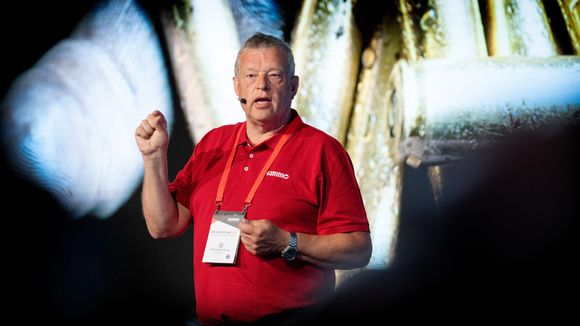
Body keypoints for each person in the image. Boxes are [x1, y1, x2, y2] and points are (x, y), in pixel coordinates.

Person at [134, 32, 372, 325]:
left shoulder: (322, 150)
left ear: (294, 86)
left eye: (275, 75)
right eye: (250, 75)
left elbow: (359, 250)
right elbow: (162, 226)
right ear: (237, 86)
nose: (262, 85)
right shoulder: (213, 144)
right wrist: (154, 157)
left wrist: (288, 242)